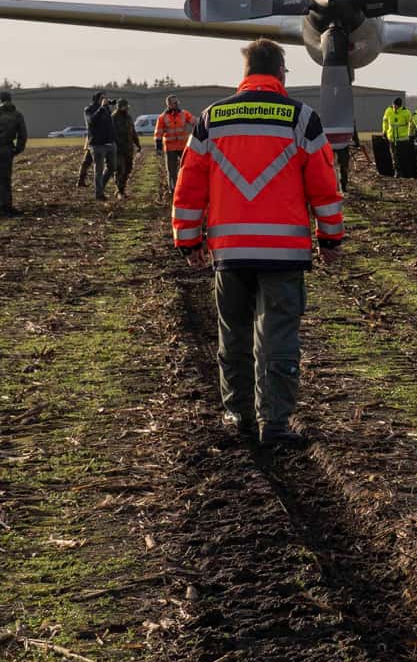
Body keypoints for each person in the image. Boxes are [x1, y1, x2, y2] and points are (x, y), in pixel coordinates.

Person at [172, 40, 344, 449]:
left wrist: (188, 240)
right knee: (278, 336)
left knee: (233, 335)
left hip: (229, 253)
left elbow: (189, 186)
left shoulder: (212, 119)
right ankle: (276, 424)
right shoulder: (303, 119)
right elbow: (324, 186)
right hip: (284, 255)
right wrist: (330, 238)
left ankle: (238, 416)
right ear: (281, 72)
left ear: (246, 72)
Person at [154, 94, 196, 194]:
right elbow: (158, 132)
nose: (177, 104)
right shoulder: (162, 117)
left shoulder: (184, 114)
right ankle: (173, 190)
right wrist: (158, 146)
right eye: (174, 103)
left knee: (187, 168)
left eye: (177, 102)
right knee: (172, 171)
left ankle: (186, 188)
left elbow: (194, 122)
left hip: (183, 146)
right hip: (170, 148)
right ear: (169, 104)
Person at [83, 92, 117, 200]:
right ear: (97, 99)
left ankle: (101, 186)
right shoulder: (89, 109)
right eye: (103, 98)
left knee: (112, 167)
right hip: (97, 145)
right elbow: (91, 121)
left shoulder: (106, 109)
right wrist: (101, 108)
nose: (106, 99)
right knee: (99, 170)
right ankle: (99, 194)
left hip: (110, 144)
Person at [0, 90, 25, 217]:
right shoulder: (17, 115)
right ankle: (6, 207)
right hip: (6, 150)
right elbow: (22, 135)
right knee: (5, 179)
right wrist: (17, 150)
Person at [112, 98, 140, 198]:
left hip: (128, 149)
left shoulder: (128, 117)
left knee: (128, 169)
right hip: (118, 150)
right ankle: (120, 191)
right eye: (124, 106)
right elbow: (112, 134)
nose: (126, 108)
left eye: (127, 107)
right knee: (120, 170)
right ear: (119, 107)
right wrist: (118, 144)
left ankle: (121, 189)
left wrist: (137, 144)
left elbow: (133, 131)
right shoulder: (114, 118)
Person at [380, 97, 413, 176]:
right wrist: (384, 131)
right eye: (393, 105)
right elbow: (385, 121)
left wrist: (411, 134)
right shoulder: (388, 110)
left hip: (403, 138)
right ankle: (397, 171)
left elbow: (411, 124)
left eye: (396, 106)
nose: (394, 107)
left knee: (402, 156)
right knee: (394, 155)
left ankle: (404, 171)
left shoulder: (406, 112)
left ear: (400, 106)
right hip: (391, 137)